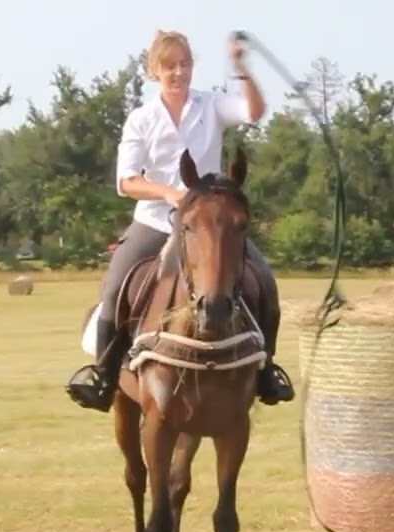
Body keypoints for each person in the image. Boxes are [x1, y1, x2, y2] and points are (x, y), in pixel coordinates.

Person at [65, 29, 295, 413]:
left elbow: (254, 112)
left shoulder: (211, 105)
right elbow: (126, 181)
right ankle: (103, 378)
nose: (178, 73)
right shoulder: (141, 119)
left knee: (265, 281)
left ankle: (266, 371)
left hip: (208, 226)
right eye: (169, 66)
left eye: (185, 65)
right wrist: (167, 192)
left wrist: (242, 69)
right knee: (114, 288)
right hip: (155, 222)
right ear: (154, 71)